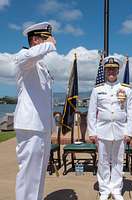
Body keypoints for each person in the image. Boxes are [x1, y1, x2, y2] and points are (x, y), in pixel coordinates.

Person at [14, 22, 56, 200]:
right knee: (29, 174)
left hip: (42, 126)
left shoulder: (41, 67)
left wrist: (51, 124)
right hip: (30, 125)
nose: (52, 41)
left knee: (38, 172)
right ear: (36, 40)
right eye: (46, 38)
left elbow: (45, 98)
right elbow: (28, 57)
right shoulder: (23, 57)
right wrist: (49, 45)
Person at [87, 56, 132, 200]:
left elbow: (131, 112)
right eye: (108, 69)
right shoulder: (97, 90)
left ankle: (116, 189)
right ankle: (104, 190)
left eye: (114, 69)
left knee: (118, 161)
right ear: (105, 71)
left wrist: (129, 132)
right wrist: (92, 132)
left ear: (118, 70)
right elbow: (91, 112)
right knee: (102, 161)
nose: (111, 72)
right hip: (102, 131)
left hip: (120, 131)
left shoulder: (126, 90)